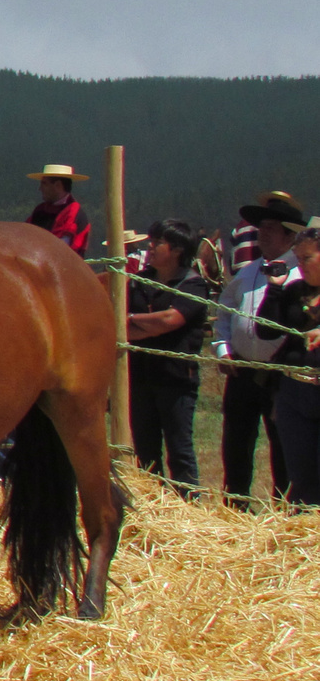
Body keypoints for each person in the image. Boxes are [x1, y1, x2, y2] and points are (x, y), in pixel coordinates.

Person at [211, 193, 302, 506]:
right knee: (236, 444)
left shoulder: (301, 275)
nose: (262, 233)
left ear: (290, 236)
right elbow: (224, 311)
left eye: (271, 228)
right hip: (242, 371)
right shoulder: (248, 272)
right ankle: (235, 506)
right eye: (260, 226)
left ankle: (286, 511)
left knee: (284, 448)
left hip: (281, 375)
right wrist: (223, 349)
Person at [126, 218, 213, 496]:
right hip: (140, 377)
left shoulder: (194, 284)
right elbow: (126, 331)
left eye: (157, 242)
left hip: (176, 380)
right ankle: (151, 503)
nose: (149, 247)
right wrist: (140, 326)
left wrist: (130, 319)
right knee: (145, 451)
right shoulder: (139, 282)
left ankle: (189, 507)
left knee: (179, 450)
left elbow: (171, 318)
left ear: (176, 249)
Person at [258, 224, 320, 508]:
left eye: (307, 258)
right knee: (300, 469)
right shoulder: (295, 291)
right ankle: (303, 527)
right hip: (293, 390)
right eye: (298, 258)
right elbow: (267, 330)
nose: (301, 265)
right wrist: (274, 289)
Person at [26, 163, 91, 257]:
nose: (40, 189)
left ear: (58, 185)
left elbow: (61, 249)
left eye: (44, 184)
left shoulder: (73, 212)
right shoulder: (39, 210)